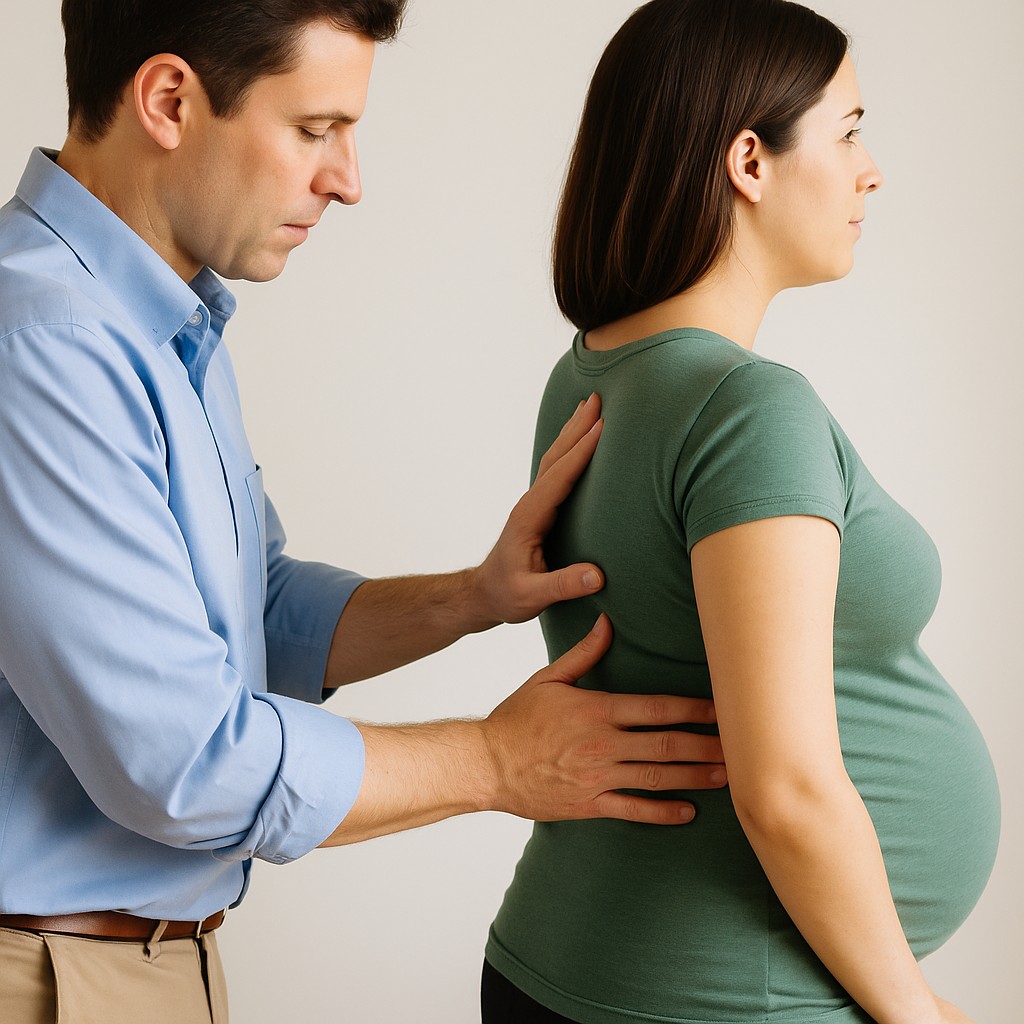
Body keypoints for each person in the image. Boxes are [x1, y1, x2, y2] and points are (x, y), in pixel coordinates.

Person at [0, 2, 731, 1021]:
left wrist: (473, 597)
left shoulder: (155, 323)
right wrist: (497, 759)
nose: (347, 179)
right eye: (315, 129)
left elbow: (257, 612)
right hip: (49, 976)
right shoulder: (44, 343)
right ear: (167, 100)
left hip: (143, 966)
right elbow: (185, 764)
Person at [483, 1, 1001, 1023]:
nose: (870, 171)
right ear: (750, 162)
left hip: (579, 960)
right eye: (848, 132)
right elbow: (787, 791)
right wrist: (915, 1010)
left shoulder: (591, 372)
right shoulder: (746, 409)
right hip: (716, 993)